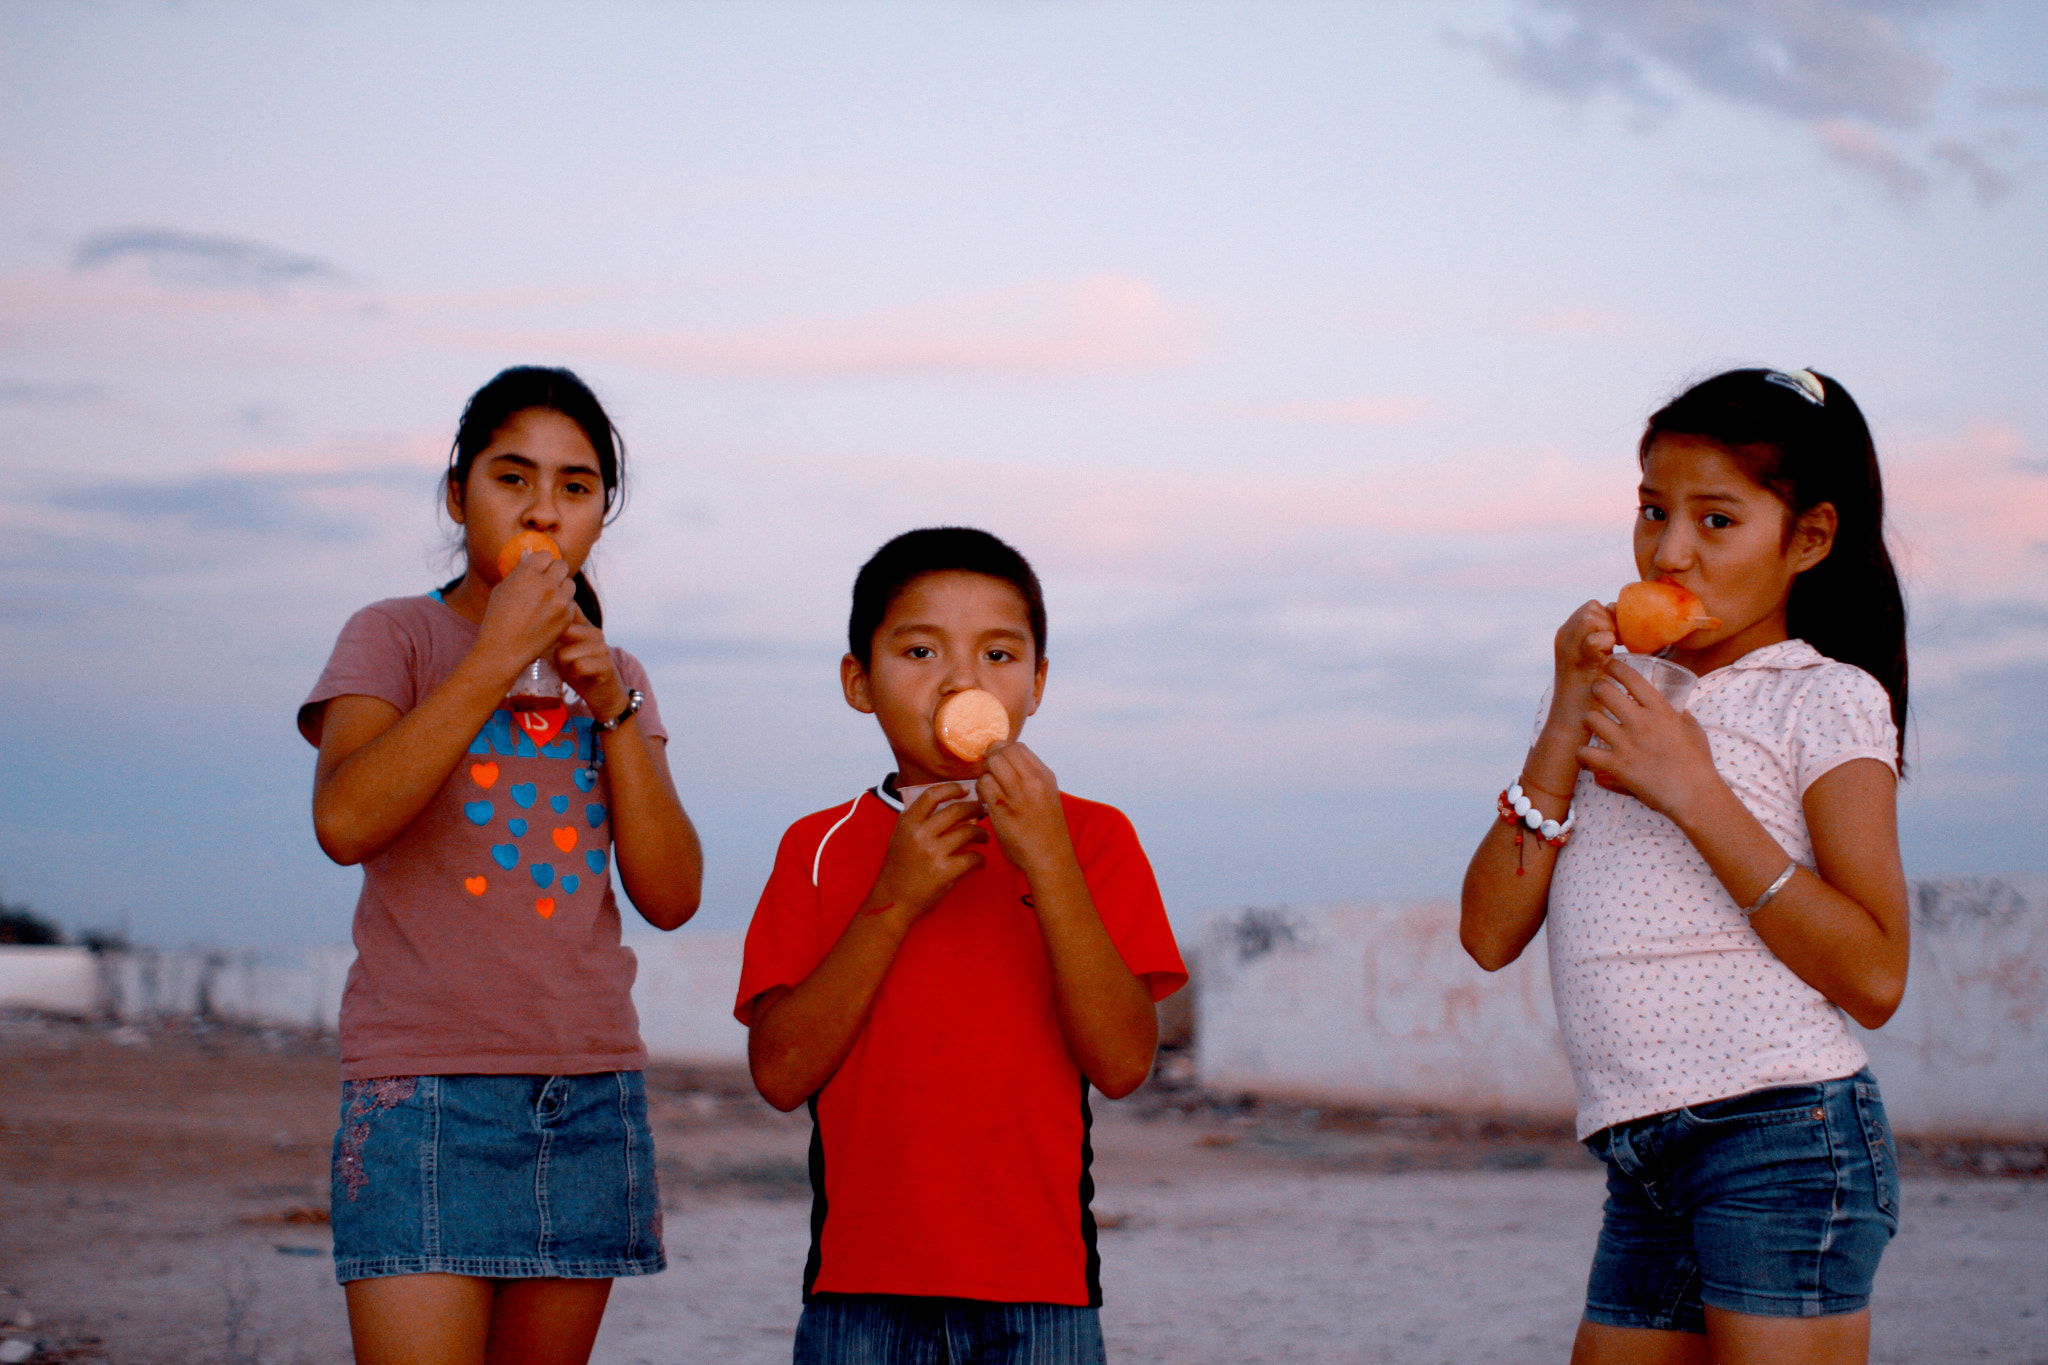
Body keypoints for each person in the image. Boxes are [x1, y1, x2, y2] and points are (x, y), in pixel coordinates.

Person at [1460, 367, 1910, 1365]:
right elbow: (1488, 933)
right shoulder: (1606, 696)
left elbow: (1874, 974)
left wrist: (1691, 791)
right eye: (1650, 512)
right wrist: (1565, 705)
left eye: (1714, 521)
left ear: (1807, 539)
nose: (1667, 552)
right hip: (1641, 1154)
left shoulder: (1822, 702)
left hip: (1782, 1136)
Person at [299, 366, 702, 1365]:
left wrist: (609, 702)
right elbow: (345, 819)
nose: (541, 510)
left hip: (587, 1090)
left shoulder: (619, 676)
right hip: (423, 1090)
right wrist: (494, 656)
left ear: (599, 518)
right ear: (456, 495)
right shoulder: (392, 634)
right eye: (511, 477)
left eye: (574, 488)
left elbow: (672, 894)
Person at [736, 526, 1187, 1364]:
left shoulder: (1092, 838)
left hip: (1041, 1296)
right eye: (918, 649)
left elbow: (1124, 1063)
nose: (962, 680)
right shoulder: (820, 845)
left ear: (1039, 684)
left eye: (999, 654)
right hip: (858, 1295)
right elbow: (779, 1071)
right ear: (858, 681)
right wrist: (893, 900)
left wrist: (1048, 861)